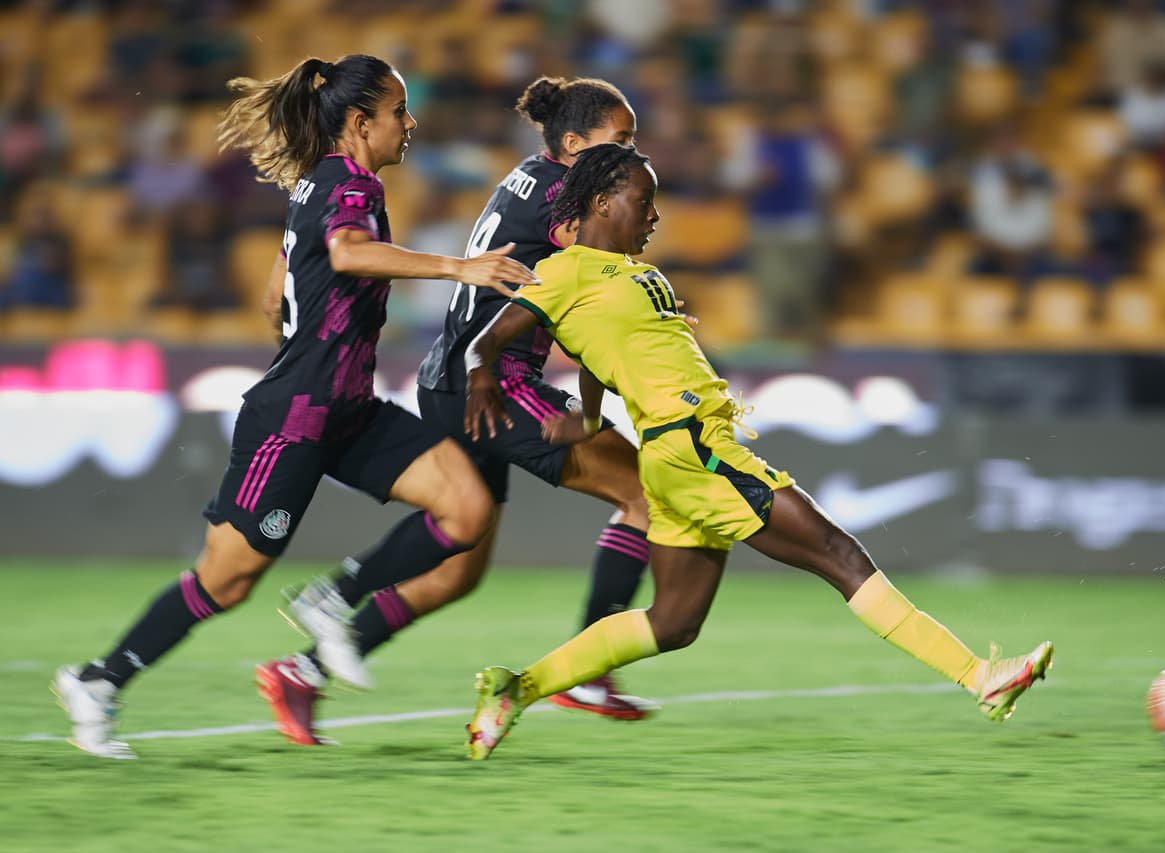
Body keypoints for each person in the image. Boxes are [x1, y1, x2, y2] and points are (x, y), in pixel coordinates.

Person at [460, 144, 1055, 760]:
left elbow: (594, 358)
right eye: (645, 201)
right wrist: (480, 376)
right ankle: (979, 677)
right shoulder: (565, 271)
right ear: (604, 202)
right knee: (839, 555)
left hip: (676, 455)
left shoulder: (630, 274)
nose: (655, 215)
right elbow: (489, 340)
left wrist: (586, 422)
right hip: (695, 448)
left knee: (673, 623)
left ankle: (517, 689)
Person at [51, 54, 538, 759]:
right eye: (400, 112)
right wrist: (456, 267)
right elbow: (344, 252)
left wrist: (300, 303)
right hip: (294, 420)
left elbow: (283, 281)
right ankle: (99, 679)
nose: (411, 124)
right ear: (359, 121)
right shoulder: (345, 181)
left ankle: (334, 598)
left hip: (347, 409)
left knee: (465, 504)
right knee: (226, 578)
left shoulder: (330, 181)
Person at [256, 75, 659, 747]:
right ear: (572, 143)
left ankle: (304, 668)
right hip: (491, 381)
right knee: (645, 490)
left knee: (456, 568)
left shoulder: (533, 180)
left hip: (453, 378)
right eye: (620, 141)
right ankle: (590, 668)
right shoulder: (569, 201)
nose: (631, 155)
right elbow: (592, 308)